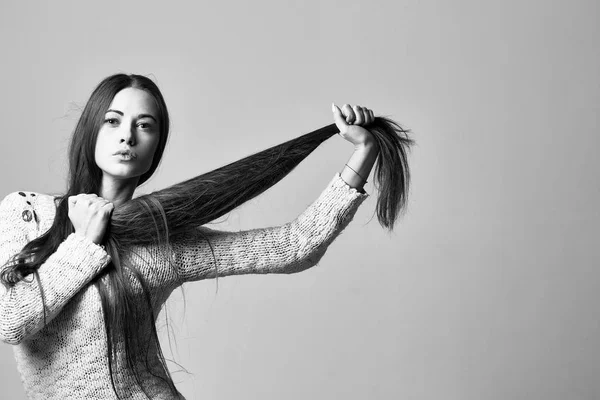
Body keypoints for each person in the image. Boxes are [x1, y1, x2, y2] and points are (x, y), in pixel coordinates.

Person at [0, 73, 384, 399]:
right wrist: (85, 244)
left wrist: (363, 152)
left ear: (156, 147)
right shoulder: (27, 213)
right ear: (90, 130)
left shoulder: (165, 241)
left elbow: (296, 247)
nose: (127, 137)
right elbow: (11, 321)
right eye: (113, 121)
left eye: (145, 125)